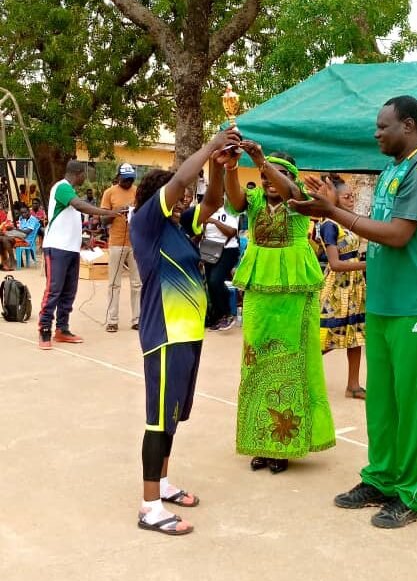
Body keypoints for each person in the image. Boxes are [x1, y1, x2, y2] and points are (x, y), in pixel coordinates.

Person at [288, 95, 417, 528]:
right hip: (382, 301)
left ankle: (412, 494)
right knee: (381, 401)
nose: (376, 133)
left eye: (383, 126)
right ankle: (381, 477)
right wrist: (328, 208)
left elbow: (398, 235)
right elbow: (374, 224)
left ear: (409, 126)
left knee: (413, 403)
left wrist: (334, 212)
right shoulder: (391, 170)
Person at [130, 127, 241, 536]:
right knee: (157, 420)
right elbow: (179, 180)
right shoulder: (148, 224)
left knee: (172, 417)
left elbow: (213, 202)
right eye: (177, 199)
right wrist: (211, 145)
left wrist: (220, 165)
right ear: (158, 199)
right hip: (165, 335)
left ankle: (161, 483)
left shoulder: (177, 227)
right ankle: (149, 506)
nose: (183, 202)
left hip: (188, 335)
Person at [224, 143, 335, 475]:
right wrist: (231, 167)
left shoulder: (300, 199)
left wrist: (262, 161)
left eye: (281, 173)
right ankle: (261, 441)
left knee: (290, 364)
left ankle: (284, 446)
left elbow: (292, 193)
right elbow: (235, 200)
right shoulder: (255, 200)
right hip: (260, 294)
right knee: (255, 362)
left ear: (293, 177)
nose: (270, 180)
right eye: (266, 174)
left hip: (295, 297)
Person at [38, 160, 124, 350]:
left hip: (71, 249)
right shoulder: (62, 187)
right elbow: (80, 206)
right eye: (84, 173)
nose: (86, 177)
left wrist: (82, 241)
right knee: (54, 290)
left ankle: (62, 329)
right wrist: (108, 212)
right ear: (78, 173)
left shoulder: (70, 191)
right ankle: (44, 329)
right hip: (57, 248)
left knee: (69, 292)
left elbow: (68, 221)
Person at [318, 175, 367, 399]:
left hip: (355, 286)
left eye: (353, 196)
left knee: (356, 336)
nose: (351, 200)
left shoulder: (350, 221)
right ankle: (297, 372)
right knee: (326, 337)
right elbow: (335, 264)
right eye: (347, 197)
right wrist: (367, 265)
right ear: (334, 198)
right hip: (337, 289)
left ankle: (353, 386)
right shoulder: (329, 225)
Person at [100, 163, 141, 332]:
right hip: (117, 242)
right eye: (125, 179)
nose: (128, 182)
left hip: (136, 243)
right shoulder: (109, 193)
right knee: (114, 284)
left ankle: (137, 319)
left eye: (131, 179)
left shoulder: (138, 191)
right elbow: (103, 220)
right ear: (118, 178)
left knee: (137, 283)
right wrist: (116, 211)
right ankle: (112, 320)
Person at [204, 206, 240, 331]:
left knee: (215, 280)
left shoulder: (229, 210)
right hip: (209, 249)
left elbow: (232, 232)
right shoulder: (205, 209)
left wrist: (214, 221)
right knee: (210, 284)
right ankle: (218, 317)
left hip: (227, 249)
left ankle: (227, 313)